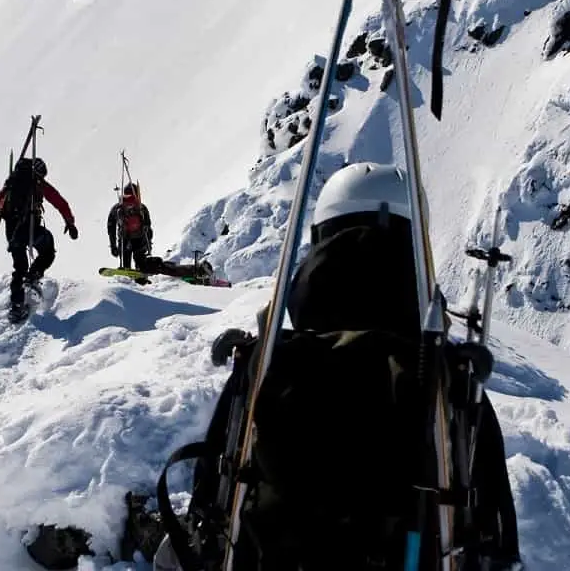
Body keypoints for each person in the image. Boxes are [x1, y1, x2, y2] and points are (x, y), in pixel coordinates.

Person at [153, 162, 521, 570]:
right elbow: (496, 535)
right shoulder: (446, 378)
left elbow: (210, 513)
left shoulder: (267, 360)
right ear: (415, 248)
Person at [0, 156, 78, 312]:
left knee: (19, 266)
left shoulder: (11, 185)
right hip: (31, 227)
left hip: (12, 231)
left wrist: (6, 188)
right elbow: (59, 202)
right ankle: (33, 277)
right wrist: (70, 223)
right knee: (48, 250)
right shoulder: (37, 183)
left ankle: (17, 305)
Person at [108, 183, 153, 270]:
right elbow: (148, 227)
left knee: (126, 263)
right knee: (141, 264)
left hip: (124, 239)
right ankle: (142, 275)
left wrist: (113, 246)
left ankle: (126, 275)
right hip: (140, 239)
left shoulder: (117, 208)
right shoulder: (141, 208)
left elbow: (111, 228)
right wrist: (149, 243)